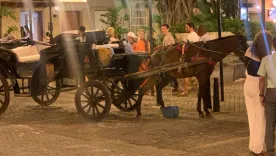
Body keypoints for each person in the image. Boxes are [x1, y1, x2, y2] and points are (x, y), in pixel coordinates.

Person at [244, 31, 272, 155]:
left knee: (251, 117)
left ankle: (252, 145)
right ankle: (258, 148)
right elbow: (263, 78)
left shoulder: (249, 51)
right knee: (260, 119)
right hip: (258, 87)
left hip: (247, 84)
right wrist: (262, 94)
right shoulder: (265, 57)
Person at [258, 35, 276, 156]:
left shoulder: (266, 59)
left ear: (273, 45)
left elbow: (261, 79)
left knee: (270, 123)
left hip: (271, 93)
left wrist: (261, 94)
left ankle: (270, 149)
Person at [180, 22, 200, 96]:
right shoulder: (196, 35)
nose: (186, 28)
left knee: (186, 74)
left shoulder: (191, 36)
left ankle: (185, 91)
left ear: (191, 27)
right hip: (195, 57)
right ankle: (189, 87)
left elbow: (185, 46)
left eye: (187, 27)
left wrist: (183, 55)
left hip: (190, 57)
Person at [161, 24, 179, 93]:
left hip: (169, 56)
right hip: (170, 56)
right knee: (171, 72)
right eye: (162, 29)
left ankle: (174, 86)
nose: (163, 30)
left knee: (170, 72)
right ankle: (175, 86)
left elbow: (167, 48)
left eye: (164, 28)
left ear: (168, 29)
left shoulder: (168, 37)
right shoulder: (168, 37)